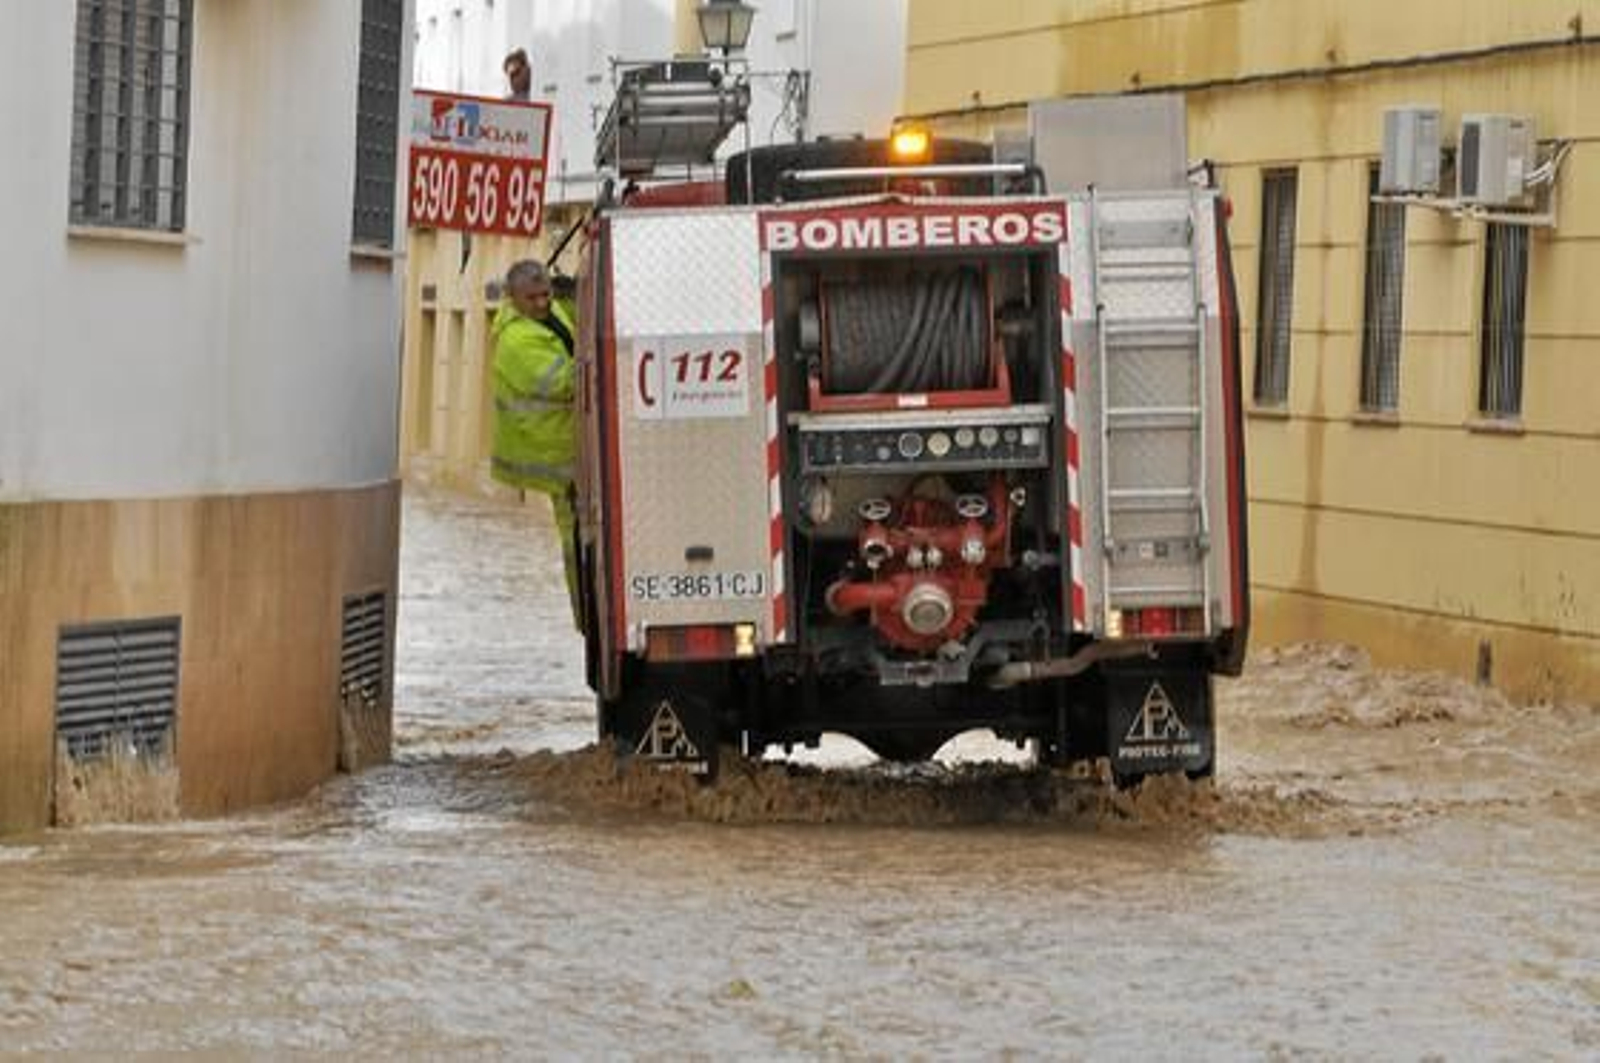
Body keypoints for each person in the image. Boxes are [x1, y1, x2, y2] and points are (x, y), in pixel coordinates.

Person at [491, 260, 580, 623]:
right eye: (533, 298)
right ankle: (584, 618)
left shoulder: (548, 312)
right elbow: (567, 381)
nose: (543, 303)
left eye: (546, 294)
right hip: (555, 453)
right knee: (575, 543)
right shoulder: (516, 341)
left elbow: (570, 323)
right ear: (512, 298)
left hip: (570, 447)